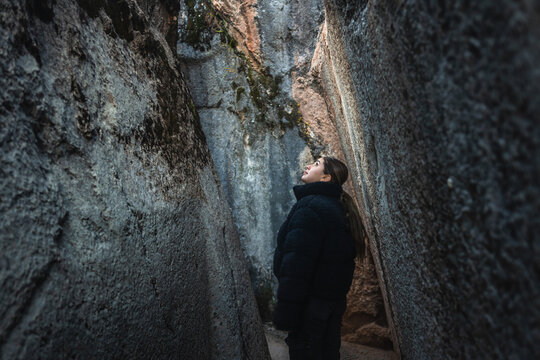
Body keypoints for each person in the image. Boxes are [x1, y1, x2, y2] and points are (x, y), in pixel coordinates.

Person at [272, 156, 366, 360]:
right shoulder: (338, 207)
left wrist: (286, 314)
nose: (308, 165)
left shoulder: (310, 207)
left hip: (309, 309)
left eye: (315, 164)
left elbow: (296, 265)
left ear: (326, 178)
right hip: (330, 307)